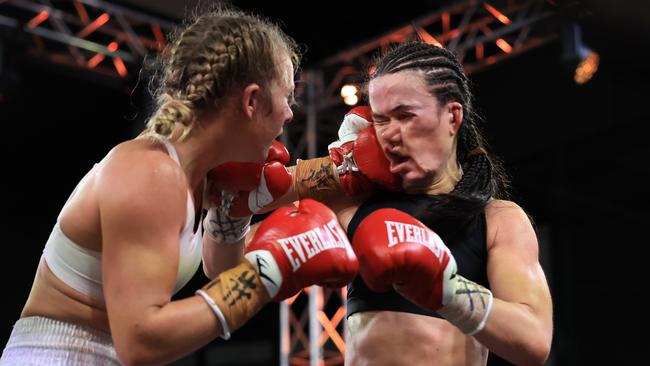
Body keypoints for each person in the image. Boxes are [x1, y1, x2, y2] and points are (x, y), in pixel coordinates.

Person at [0, 5, 359, 366]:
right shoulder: (152, 174)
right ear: (251, 101)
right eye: (287, 96)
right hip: (58, 355)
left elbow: (219, 271)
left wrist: (230, 218)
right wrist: (268, 271)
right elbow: (141, 342)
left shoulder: (197, 172)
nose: (290, 113)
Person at [238, 41, 554, 366]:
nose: (390, 134)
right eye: (381, 120)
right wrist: (342, 166)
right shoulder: (357, 204)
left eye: (404, 115)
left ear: (452, 116)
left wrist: (447, 290)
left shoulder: (497, 219)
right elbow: (229, 253)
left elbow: (533, 341)